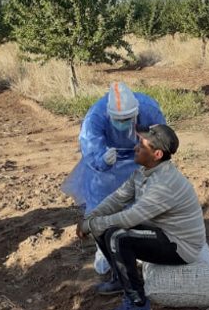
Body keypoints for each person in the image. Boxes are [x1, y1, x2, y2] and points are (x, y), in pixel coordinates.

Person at [77, 124, 206, 310]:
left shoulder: (164, 184)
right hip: (161, 231)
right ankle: (122, 281)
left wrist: (91, 225)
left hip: (179, 244)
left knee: (117, 236)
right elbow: (117, 199)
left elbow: (130, 217)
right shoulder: (143, 172)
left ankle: (138, 304)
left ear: (157, 154)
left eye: (142, 146)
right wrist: (91, 218)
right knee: (103, 228)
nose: (136, 148)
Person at [62, 82, 166, 274]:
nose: (123, 123)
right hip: (107, 164)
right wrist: (102, 159)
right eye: (118, 120)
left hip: (139, 157)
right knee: (102, 207)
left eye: (128, 119)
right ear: (109, 115)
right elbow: (90, 146)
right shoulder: (96, 116)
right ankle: (106, 252)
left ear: (136, 112)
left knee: (143, 202)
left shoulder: (148, 109)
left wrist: (153, 156)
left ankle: (142, 246)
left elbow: (163, 138)